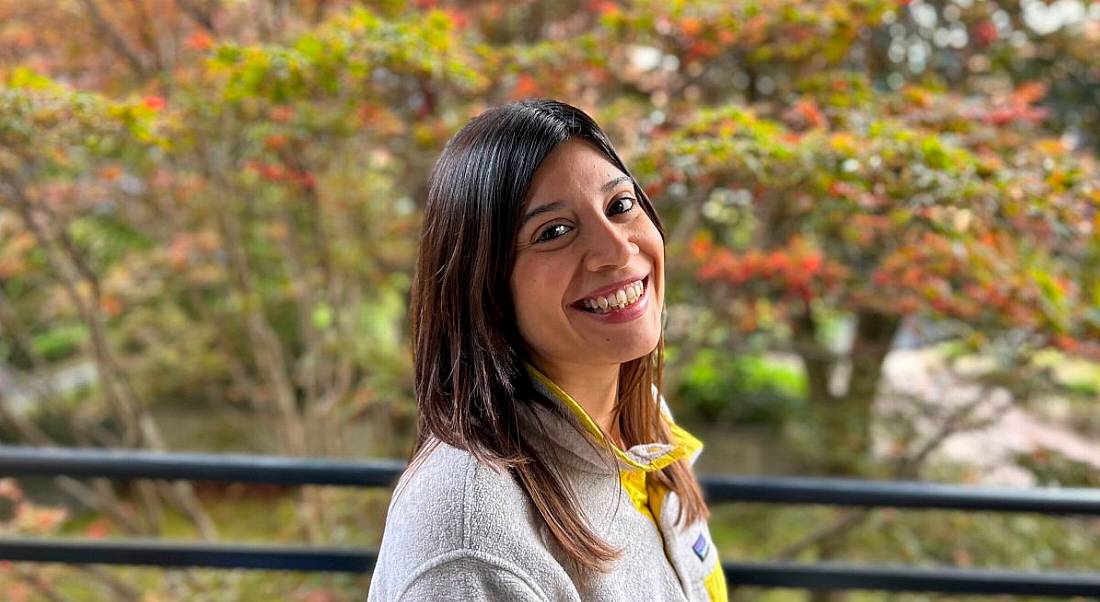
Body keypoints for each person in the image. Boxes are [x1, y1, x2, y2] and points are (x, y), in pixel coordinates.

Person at [367, 99, 728, 601]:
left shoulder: (642, 423)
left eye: (620, 205)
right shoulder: (468, 537)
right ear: (486, 286)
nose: (618, 250)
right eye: (554, 232)